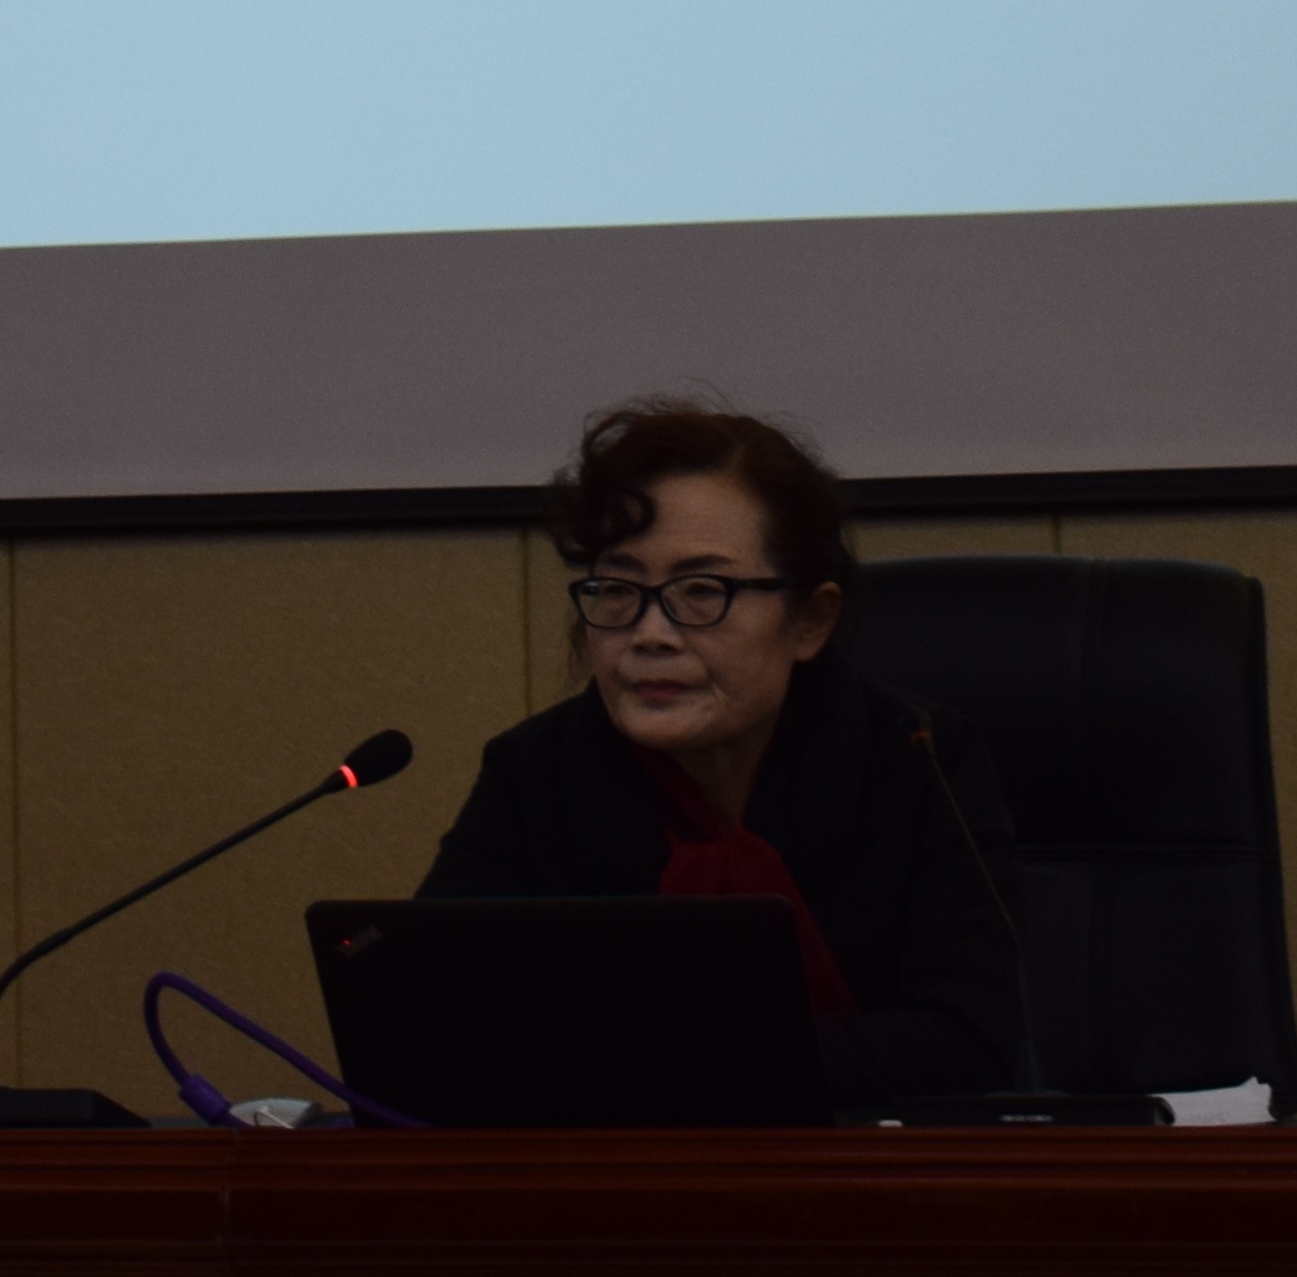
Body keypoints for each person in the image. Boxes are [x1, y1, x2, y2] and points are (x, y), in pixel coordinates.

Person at [416, 396, 1027, 1112]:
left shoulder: (916, 762)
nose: (650, 634)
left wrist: (652, 1059)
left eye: (702, 590)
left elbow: (967, 1046)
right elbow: (428, 1028)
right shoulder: (536, 773)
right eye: (618, 590)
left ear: (810, 621)